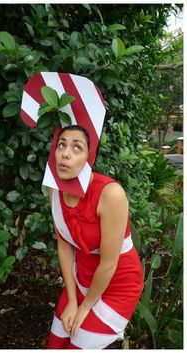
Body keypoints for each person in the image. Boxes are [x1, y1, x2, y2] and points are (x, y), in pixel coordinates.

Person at [47, 125, 144, 349]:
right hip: (82, 280)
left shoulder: (110, 194)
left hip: (117, 285)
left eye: (76, 147)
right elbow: (65, 248)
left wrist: (84, 308)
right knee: (55, 344)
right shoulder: (54, 192)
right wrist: (72, 300)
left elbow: (109, 263)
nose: (66, 153)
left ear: (88, 157)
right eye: (62, 144)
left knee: (76, 345)